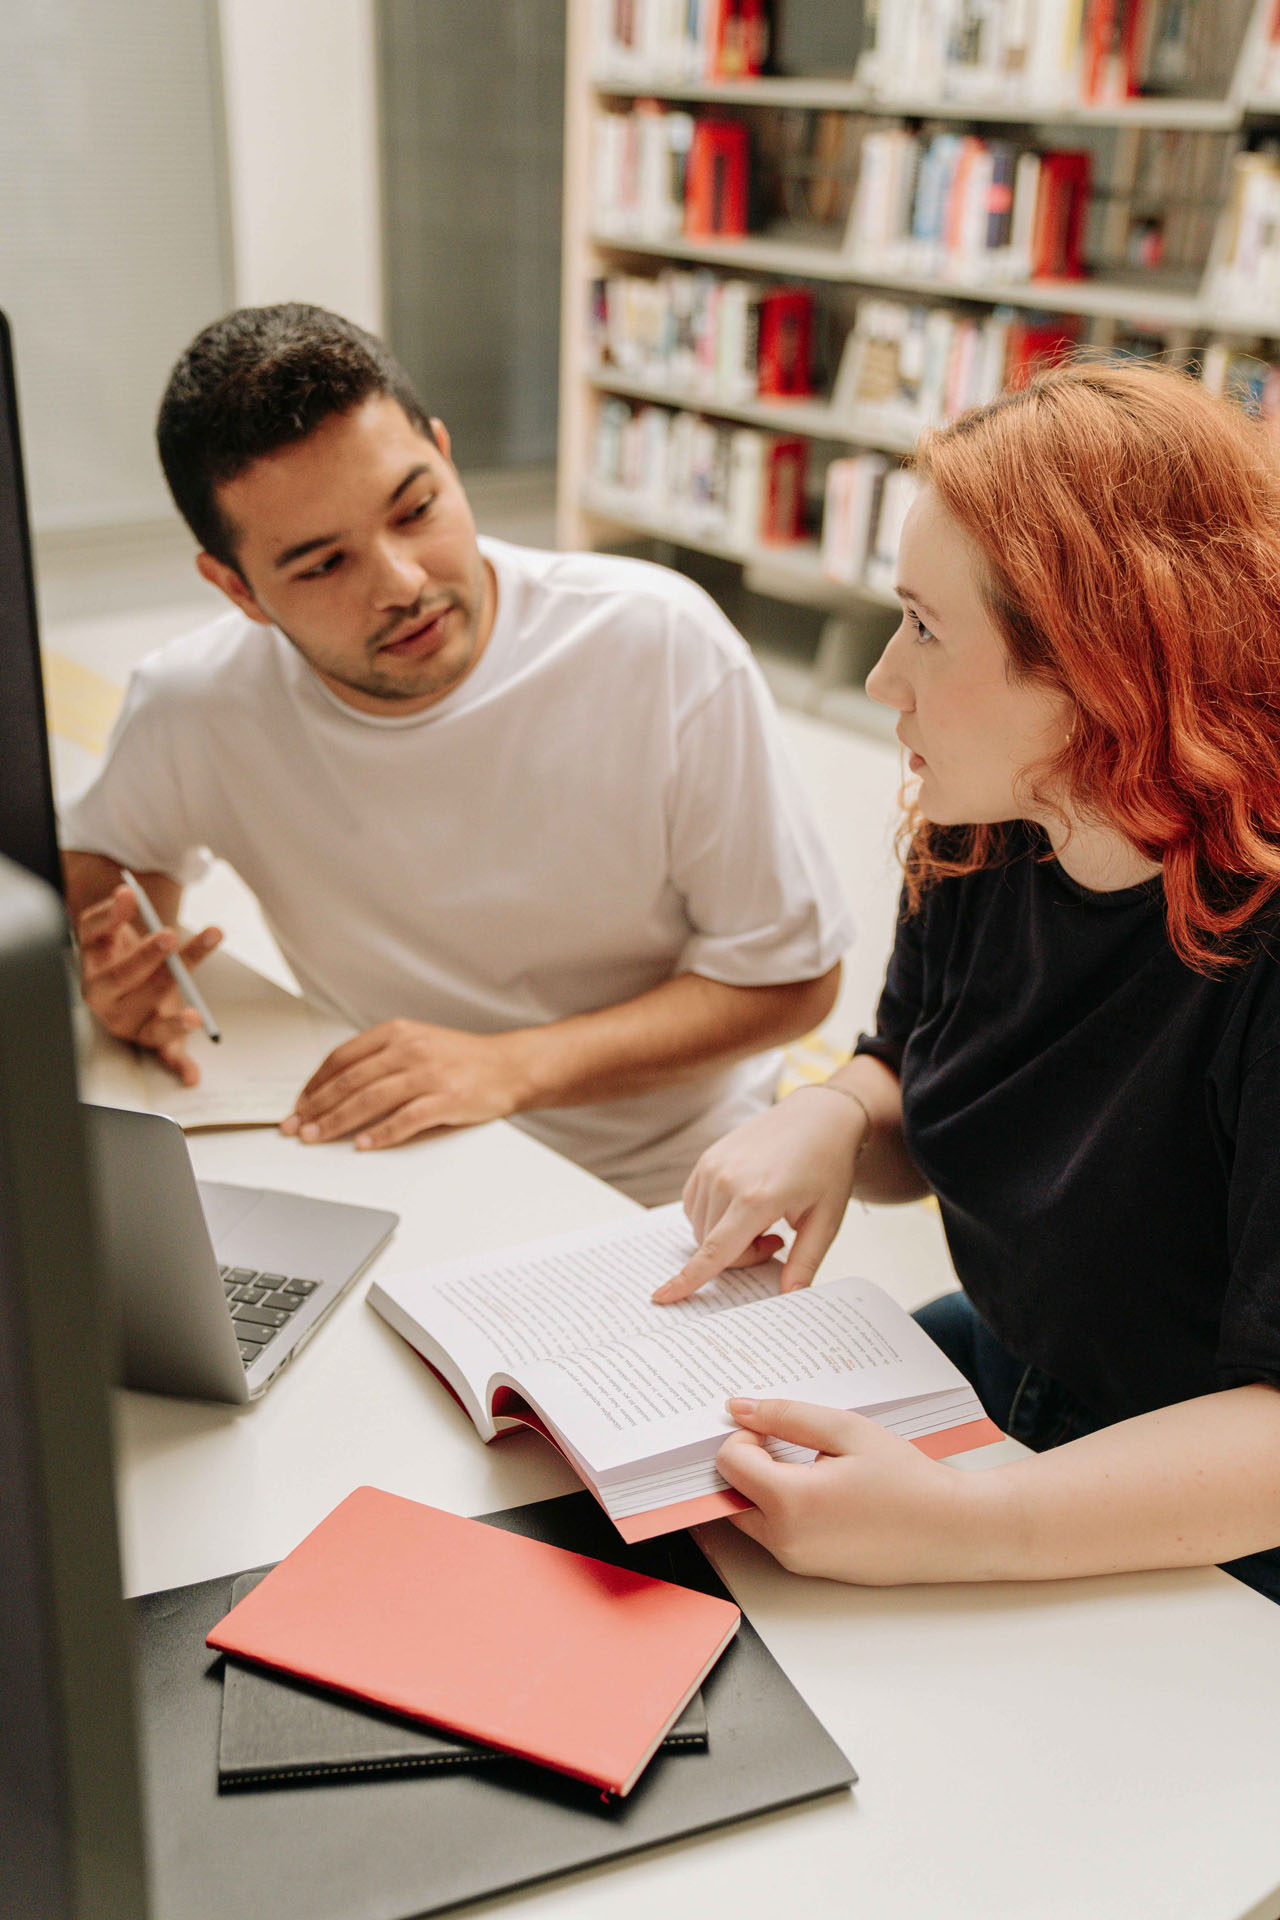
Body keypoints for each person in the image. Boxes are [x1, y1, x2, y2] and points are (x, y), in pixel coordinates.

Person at [656, 360, 1280, 1600]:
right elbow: (918, 1070)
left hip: (1208, 1493)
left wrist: (961, 1523)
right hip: (1018, 1365)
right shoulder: (988, 819)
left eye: (926, 629)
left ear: (1101, 671)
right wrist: (833, 1115)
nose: (881, 679)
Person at [61, 304, 850, 1205]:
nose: (403, 584)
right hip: (396, 1158)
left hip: (671, 1180)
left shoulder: (659, 643)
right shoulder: (194, 703)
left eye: (416, 508)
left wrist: (510, 1068)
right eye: (323, 566)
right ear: (237, 588)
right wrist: (126, 972)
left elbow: (793, 977)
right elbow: (101, 864)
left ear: (443, 451)